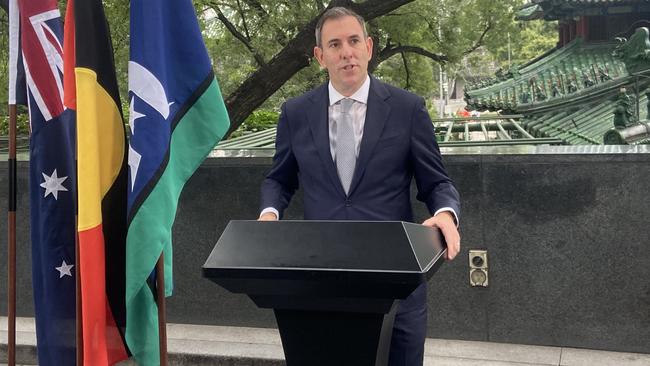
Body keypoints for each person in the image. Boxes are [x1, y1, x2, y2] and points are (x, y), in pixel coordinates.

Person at [258, 7, 461, 366]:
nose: (346, 52)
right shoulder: (295, 113)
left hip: (396, 284)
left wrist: (446, 214)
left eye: (353, 41)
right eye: (334, 44)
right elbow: (279, 178)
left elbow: (437, 182)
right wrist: (269, 213)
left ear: (368, 47)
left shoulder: (407, 109)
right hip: (321, 282)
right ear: (321, 57)